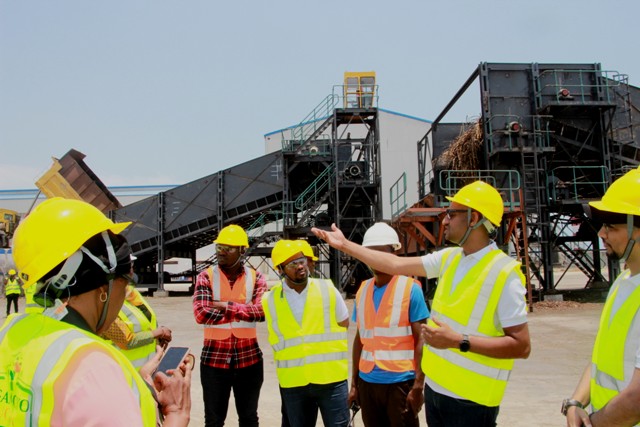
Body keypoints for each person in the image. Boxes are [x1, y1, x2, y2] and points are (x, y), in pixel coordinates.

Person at [313, 180, 531, 427]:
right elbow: (394, 264)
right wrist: (344, 245)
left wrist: (459, 341)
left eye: (452, 214)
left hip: (472, 401)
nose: (444, 221)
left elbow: (521, 346)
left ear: (473, 218)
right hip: (437, 391)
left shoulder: (504, 273)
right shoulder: (450, 258)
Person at [0, 197, 191, 426]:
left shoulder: (11, 331)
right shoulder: (94, 368)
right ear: (103, 288)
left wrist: (141, 383)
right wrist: (176, 413)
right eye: (125, 281)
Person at [564, 166, 640, 427]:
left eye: (611, 226)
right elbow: (600, 359)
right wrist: (576, 402)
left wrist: (593, 424)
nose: (601, 234)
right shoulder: (622, 281)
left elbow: (637, 400)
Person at [263, 239, 350, 427]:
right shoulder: (269, 300)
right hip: (294, 383)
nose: (300, 266)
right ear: (281, 269)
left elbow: (344, 322)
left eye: (301, 260)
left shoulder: (327, 289)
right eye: (292, 264)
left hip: (331, 379)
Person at [350, 222, 429, 427]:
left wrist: (418, 385)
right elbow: (360, 340)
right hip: (367, 382)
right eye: (371, 253)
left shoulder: (410, 289)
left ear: (394, 252)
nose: (376, 258)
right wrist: (354, 383)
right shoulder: (363, 290)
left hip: (400, 383)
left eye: (381, 252)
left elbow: (421, 340)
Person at [193, 224, 267, 427]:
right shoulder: (206, 276)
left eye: (229, 248)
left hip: (249, 360)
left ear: (242, 250)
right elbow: (201, 314)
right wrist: (244, 311)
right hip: (214, 361)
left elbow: (262, 312)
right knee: (214, 421)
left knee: (249, 419)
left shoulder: (256, 277)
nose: (222, 252)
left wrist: (225, 306)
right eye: (219, 247)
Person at [102, 255, 173, 370]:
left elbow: (148, 323)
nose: (132, 271)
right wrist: (159, 332)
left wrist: (159, 338)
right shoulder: (104, 305)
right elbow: (127, 341)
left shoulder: (132, 292)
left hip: (148, 369)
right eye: (129, 266)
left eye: (131, 266)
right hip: (124, 372)